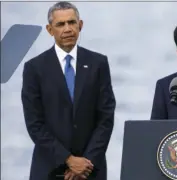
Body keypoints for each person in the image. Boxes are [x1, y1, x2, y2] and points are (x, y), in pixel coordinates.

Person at [21, 2, 116, 180]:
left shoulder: (98, 63)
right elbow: (35, 123)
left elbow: (106, 117)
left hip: (91, 170)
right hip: (49, 170)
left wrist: (86, 162)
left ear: (80, 25)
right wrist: (67, 159)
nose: (68, 29)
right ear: (50, 30)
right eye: (60, 24)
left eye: (72, 22)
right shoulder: (34, 68)